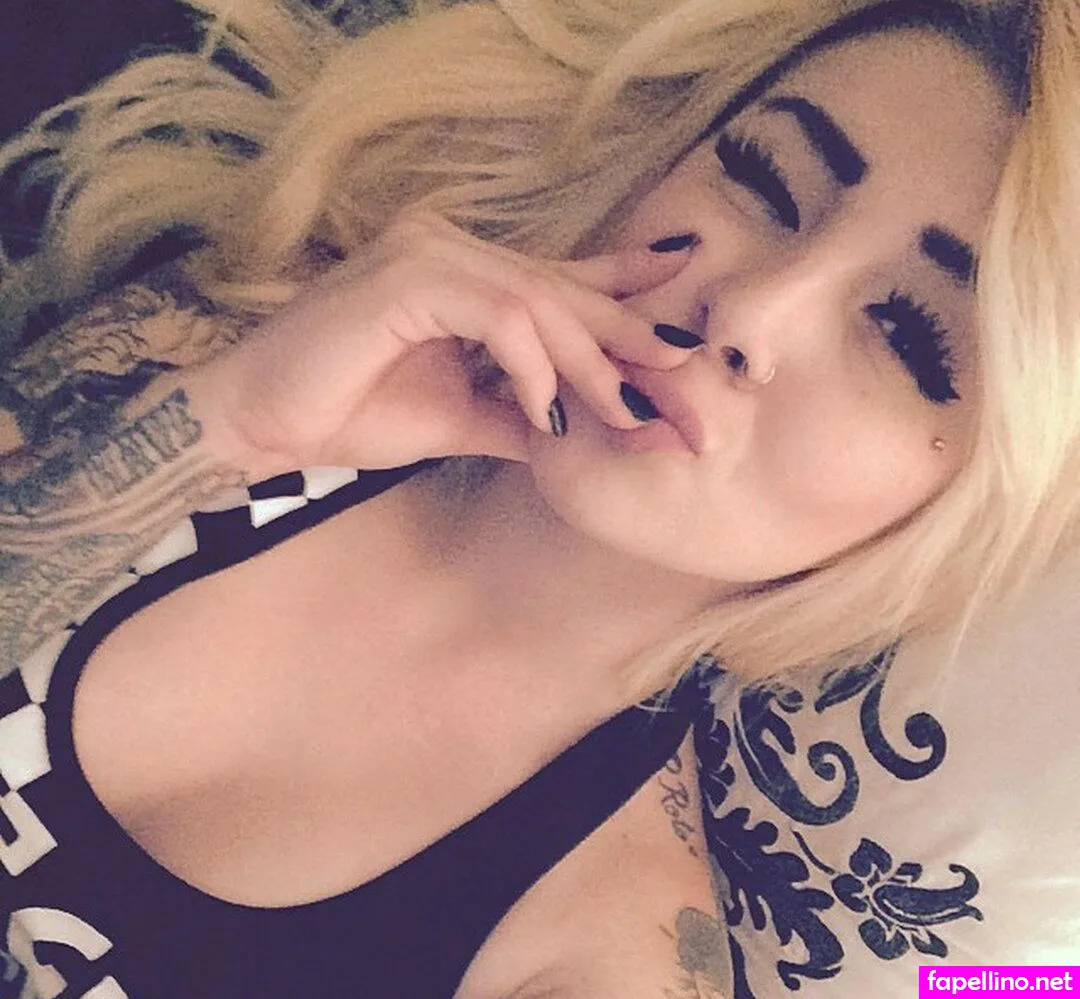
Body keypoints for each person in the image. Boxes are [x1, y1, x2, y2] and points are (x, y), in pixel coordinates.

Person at [0, 0, 1075, 996]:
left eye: (909, 334)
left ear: (959, 501)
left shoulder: (608, 952)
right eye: (764, 179)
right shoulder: (256, 336)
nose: (753, 311)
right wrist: (230, 427)